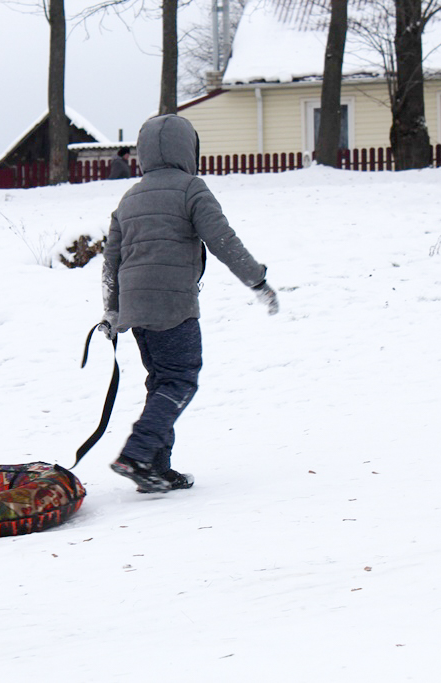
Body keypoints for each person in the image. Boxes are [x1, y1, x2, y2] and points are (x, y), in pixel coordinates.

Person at [100, 115, 279, 493]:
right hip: (173, 305)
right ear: (189, 149)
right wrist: (257, 279)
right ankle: (138, 453)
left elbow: (110, 261)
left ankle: (154, 468)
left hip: (136, 309)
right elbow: (223, 240)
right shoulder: (191, 189)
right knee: (179, 378)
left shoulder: (129, 197)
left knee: (161, 383)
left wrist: (112, 311)